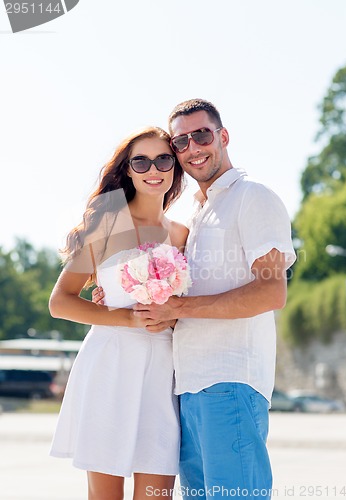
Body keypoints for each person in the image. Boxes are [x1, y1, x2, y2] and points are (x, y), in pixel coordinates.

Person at [116, 99, 296, 499]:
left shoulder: (252, 197)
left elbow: (271, 291)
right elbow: (199, 299)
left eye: (202, 134)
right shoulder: (198, 214)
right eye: (181, 141)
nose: (193, 147)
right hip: (189, 389)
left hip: (230, 384)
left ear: (223, 136)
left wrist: (178, 307)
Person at [49, 126, 188, 500]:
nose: (153, 168)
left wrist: (171, 317)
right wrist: (128, 318)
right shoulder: (108, 224)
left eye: (163, 159)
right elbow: (60, 301)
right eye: (140, 160)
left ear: (175, 165)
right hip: (109, 365)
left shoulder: (182, 234)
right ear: (128, 170)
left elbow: (188, 306)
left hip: (162, 371)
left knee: (158, 491)